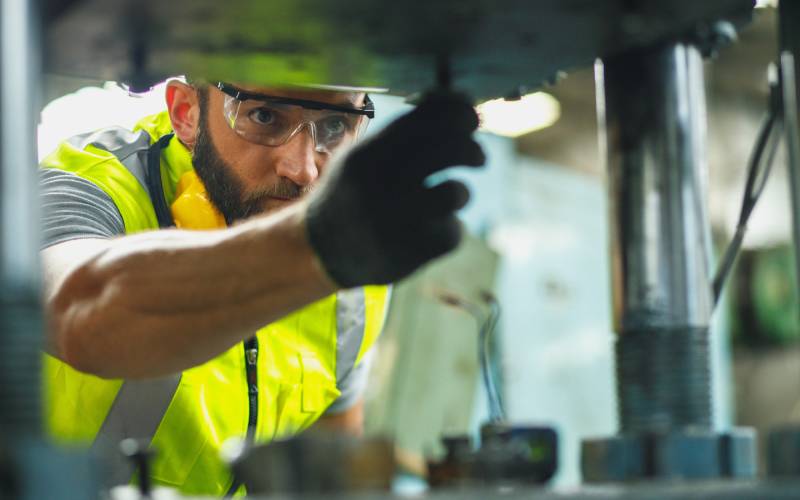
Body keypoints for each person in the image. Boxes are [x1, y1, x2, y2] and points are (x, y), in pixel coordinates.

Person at [40, 78, 484, 496]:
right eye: (265, 117)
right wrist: (312, 246)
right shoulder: (92, 185)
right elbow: (78, 310)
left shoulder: (352, 277)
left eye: (335, 125)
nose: (303, 169)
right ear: (186, 112)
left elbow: (330, 465)